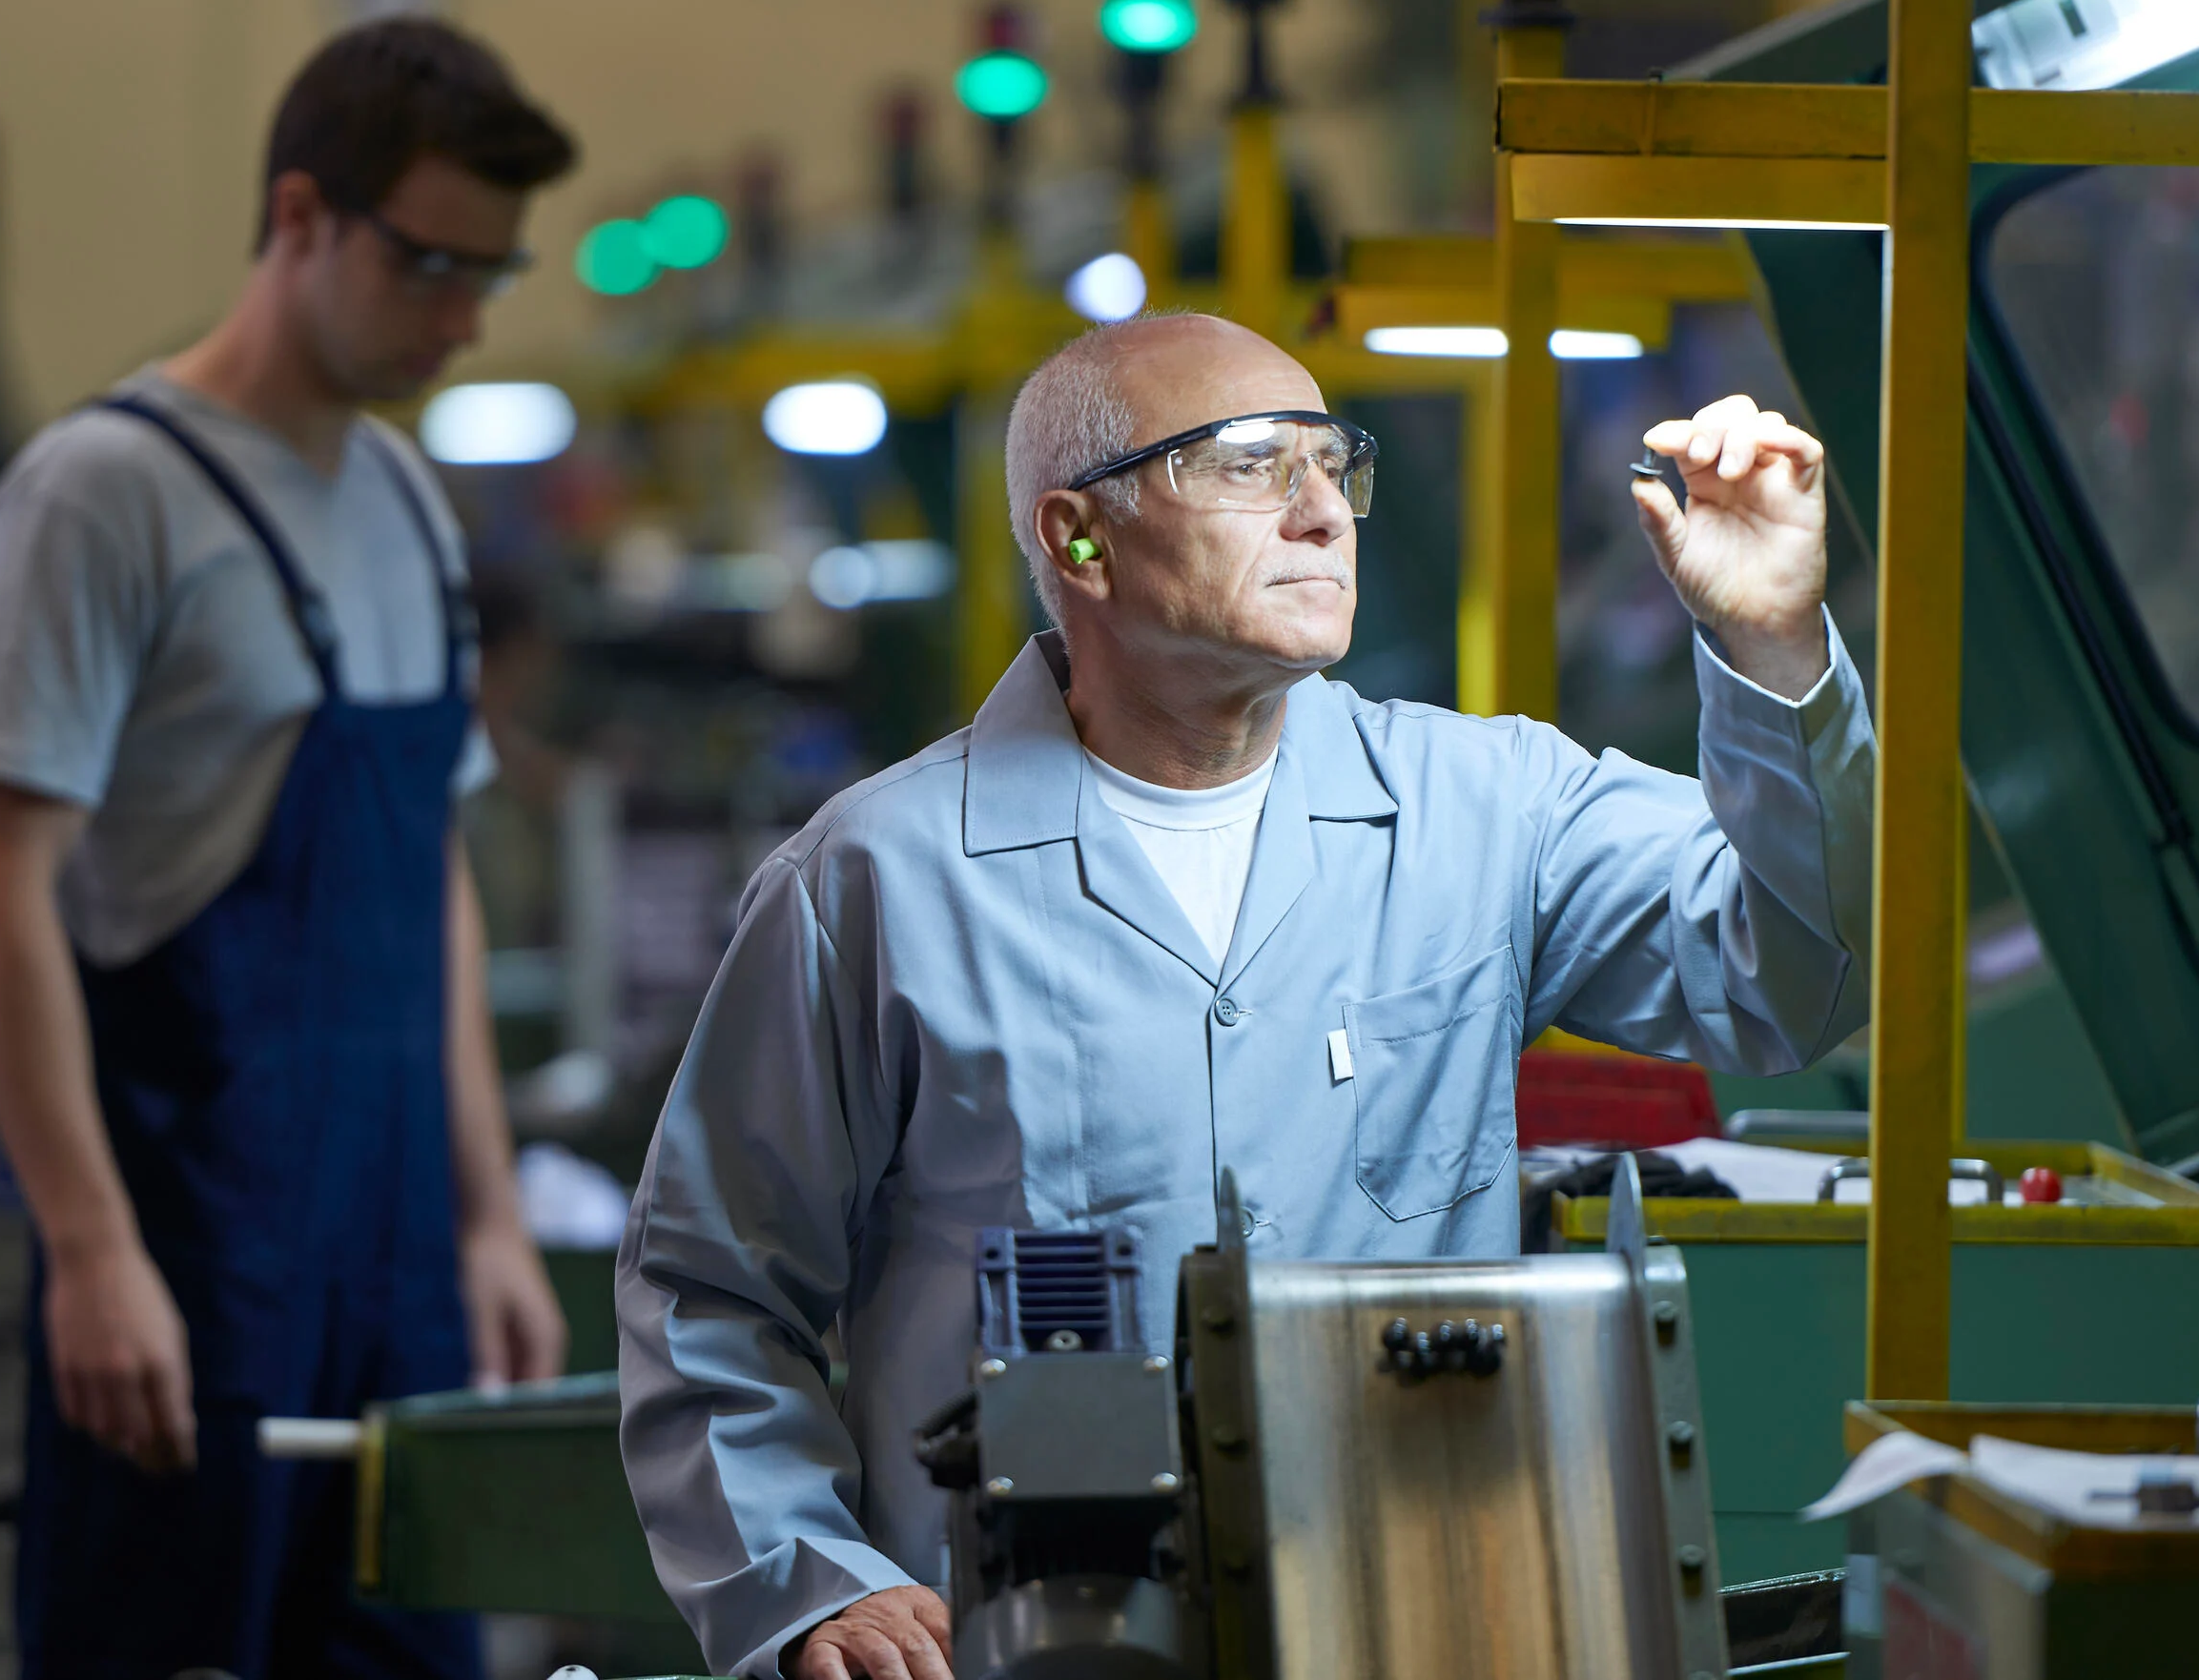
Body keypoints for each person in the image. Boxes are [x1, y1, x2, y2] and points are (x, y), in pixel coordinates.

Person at [617, 312, 1872, 1680]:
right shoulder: (875, 882)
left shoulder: (1492, 810)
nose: (1324, 514)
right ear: (1079, 538)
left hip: (1414, 1628)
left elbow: (1794, 976)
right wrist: (810, 1584)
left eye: (1337, 465)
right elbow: (710, 1289)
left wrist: (1776, 655)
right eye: (1252, 465)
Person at [0, 16, 577, 1678]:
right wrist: (88, 1248)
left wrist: (488, 1217)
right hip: (196, 1258)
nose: (461, 314)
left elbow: (423, 874)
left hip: (396, 1261)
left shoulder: (409, 510)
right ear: (301, 217)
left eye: (487, 274)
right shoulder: (102, 496)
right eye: (429, 261)